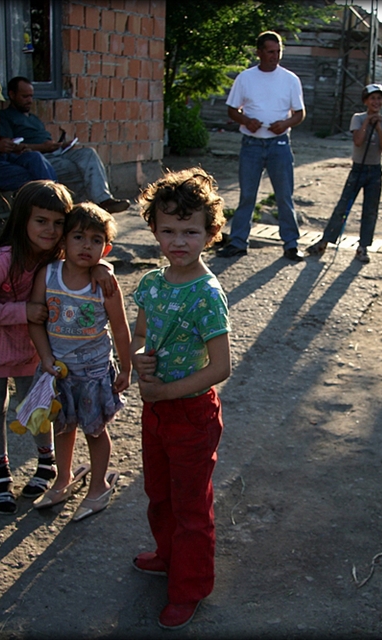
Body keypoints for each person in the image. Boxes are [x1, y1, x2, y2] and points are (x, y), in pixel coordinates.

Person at [131, 168, 232, 630]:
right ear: (153, 229)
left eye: (190, 231)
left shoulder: (207, 295)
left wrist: (163, 391)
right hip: (156, 411)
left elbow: (220, 367)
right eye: (168, 230)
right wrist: (139, 360)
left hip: (191, 413)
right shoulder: (151, 283)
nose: (178, 241)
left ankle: (189, 586)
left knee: (191, 505)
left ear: (210, 234)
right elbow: (141, 334)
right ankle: (168, 556)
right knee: (159, 493)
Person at [0, 180, 73, 514]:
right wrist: (22, 311)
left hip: (31, 353)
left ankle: (46, 465)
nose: (50, 230)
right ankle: (0, 477)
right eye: (41, 221)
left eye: (58, 223)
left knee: (37, 408)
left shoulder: (56, 258)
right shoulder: (2, 260)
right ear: (22, 219)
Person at [27, 203, 132, 521]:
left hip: (94, 372)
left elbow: (120, 327)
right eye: (78, 237)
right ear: (64, 241)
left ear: (107, 247)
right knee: (63, 427)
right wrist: (45, 357)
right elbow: (36, 319)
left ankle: (98, 484)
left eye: (96, 239)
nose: (87, 246)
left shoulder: (104, 284)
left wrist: (126, 367)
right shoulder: (48, 274)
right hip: (58, 371)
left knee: (95, 430)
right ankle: (63, 478)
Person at [216, 31, 307, 262]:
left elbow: (299, 113)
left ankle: (291, 244)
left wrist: (284, 123)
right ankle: (238, 242)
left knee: (284, 196)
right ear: (259, 52)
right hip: (252, 144)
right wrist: (247, 121)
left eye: (278, 52)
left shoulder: (290, 79)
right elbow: (231, 109)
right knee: (247, 195)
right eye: (270, 52)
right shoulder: (245, 78)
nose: (274, 56)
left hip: (279, 143)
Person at [0, 77, 131, 214]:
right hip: (38, 158)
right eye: (25, 96)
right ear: (12, 95)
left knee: (88, 154)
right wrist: (43, 147)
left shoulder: (33, 118)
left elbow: (46, 142)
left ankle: (104, 200)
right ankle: (81, 209)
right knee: (77, 170)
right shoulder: (5, 116)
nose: (29, 100)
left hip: (55, 151)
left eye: (31, 96)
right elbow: (11, 147)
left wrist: (60, 145)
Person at [306, 83, 382, 263]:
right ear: (366, 101)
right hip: (358, 168)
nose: (376, 102)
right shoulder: (358, 118)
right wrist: (368, 122)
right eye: (372, 98)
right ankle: (325, 241)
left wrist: (378, 127)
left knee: (370, 210)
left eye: (379, 98)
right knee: (343, 206)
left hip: (375, 171)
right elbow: (358, 141)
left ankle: (363, 247)